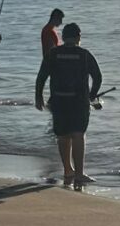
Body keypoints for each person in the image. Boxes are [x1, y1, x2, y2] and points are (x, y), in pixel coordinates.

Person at [35, 23, 102, 187]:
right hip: (79, 102)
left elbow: (41, 77)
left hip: (58, 101)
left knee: (63, 136)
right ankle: (79, 174)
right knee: (78, 135)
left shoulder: (53, 54)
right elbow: (98, 77)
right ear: (78, 37)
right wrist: (92, 96)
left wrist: (39, 97)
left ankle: (67, 170)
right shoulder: (84, 55)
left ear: (63, 37)